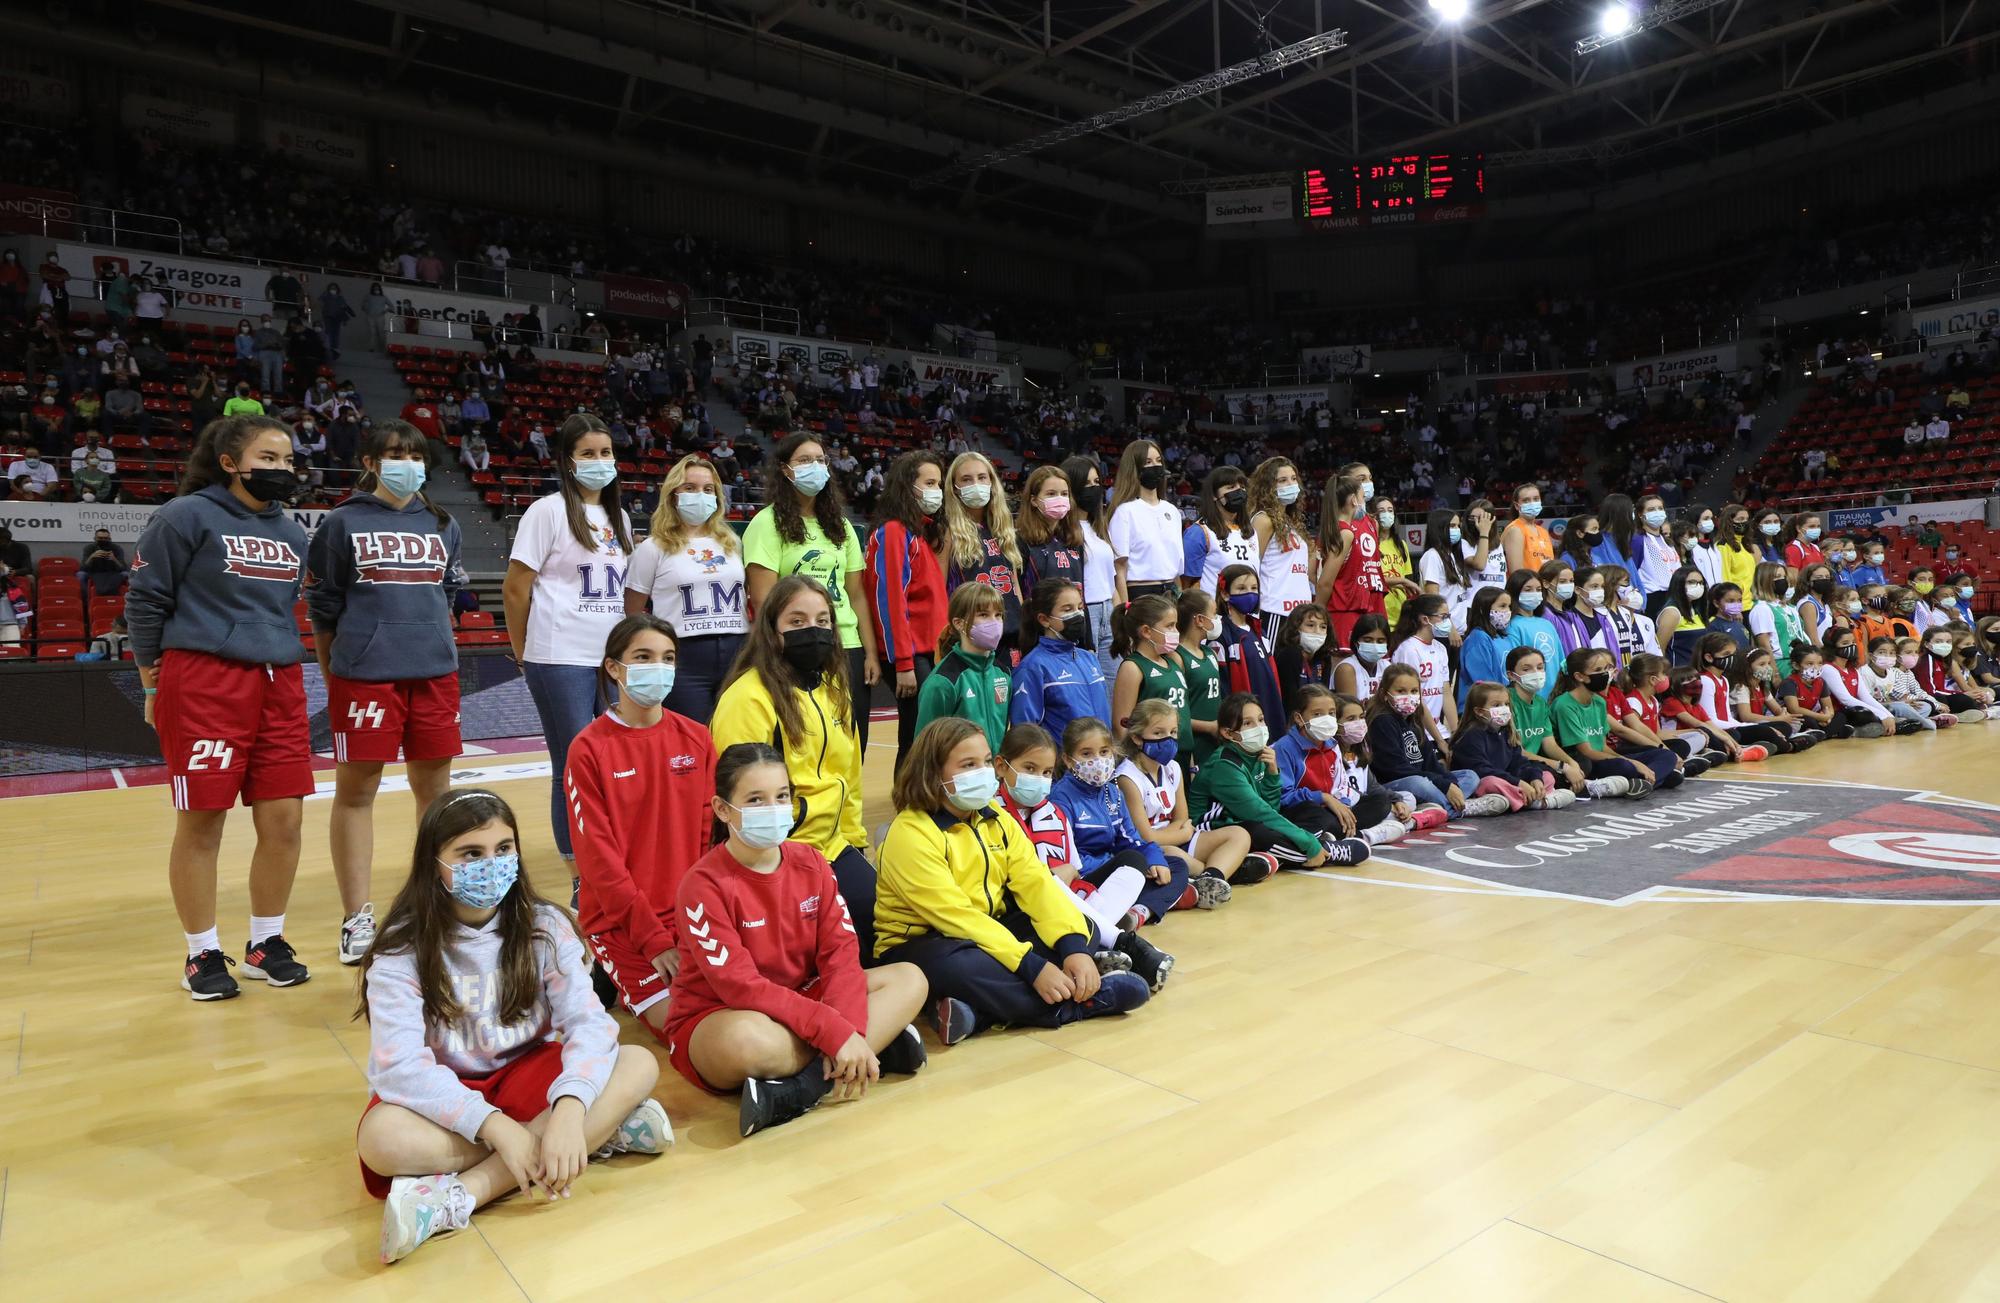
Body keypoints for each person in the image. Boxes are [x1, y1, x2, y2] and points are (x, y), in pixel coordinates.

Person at [354, 789, 667, 1264]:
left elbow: (588, 1023)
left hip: (528, 1076)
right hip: (447, 1093)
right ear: (434, 863)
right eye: (471, 853)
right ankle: (597, 1136)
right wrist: (498, 1128)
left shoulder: (544, 925)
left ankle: (459, 1198)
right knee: (381, 1140)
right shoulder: (401, 948)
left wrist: (567, 1108)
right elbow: (400, 1070)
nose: (492, 863)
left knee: (638, 1061)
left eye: (503, 849)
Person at [127, 415, 314, 1001]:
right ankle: (201, 952)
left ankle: (266, 943)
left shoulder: (292, 532)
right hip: (203, 678)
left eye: (287, 461)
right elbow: (146, 602)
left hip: (278, 678)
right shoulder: (185, 516)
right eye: (268, 458)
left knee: (284, 820)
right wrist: (152, 688)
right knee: (203, 822)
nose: (282, 470)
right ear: (231, 462)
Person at [667, 742, 929, 1137]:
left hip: (805, 1000)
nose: (773, 809)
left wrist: (847, 1031)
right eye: (755, 800)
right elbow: (742, 988)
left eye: (782, 796)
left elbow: (841, 955)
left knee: (910, 978)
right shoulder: (702, 885)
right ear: (723, 809)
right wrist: (834, 1031)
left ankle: (803, 1088)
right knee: (748, 1041)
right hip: (727, 1015)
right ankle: (871, 1049)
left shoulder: (812, 862)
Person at [874, 716, 1152, 1044]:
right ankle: (1077, 1006)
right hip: (925, 943)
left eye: (985, 762)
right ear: (933, 772)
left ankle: (976, 1013)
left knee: (1082, 927)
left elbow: (1037, 885)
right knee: (963, 966)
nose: (983, 772)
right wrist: (1031, 967)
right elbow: (956, 918)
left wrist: (1073, 949)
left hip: (988, 929)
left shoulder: (997, 818)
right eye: (968, 764)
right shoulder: (911, 833)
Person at [307, 419, 465, 965]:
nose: (408, 463)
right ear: (371, 462)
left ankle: (440, 904)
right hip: (365, 676)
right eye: (395, 453)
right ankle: (356, 917)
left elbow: (445, 597)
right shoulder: (341, 523)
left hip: (434, 674)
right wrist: (335, 673)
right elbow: (324, 607)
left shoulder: (444, 523)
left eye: (416, 454)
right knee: (356, 793)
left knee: (436, 795)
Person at [561, 614, 718, 1039]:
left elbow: (708, 843)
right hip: (622, 922)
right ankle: (604, 965)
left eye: (668, 658)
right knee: (684, 1025)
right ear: (614, 667)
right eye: (643, 657)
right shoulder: (589, 749)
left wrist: (702, 919)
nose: (659, 667)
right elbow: (598, 863)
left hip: (690, 915)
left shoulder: (697, 739)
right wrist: (654, 940)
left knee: (736, 997)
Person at [711, 572, 874, 945]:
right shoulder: (748, 697)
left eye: (822, 621)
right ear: (772, 630)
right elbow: (736, 793)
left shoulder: (835, 692)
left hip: (833, 847)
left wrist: (855, 841)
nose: (812, 630)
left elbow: (849, 775)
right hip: (774, 851)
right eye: (796, 621)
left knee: (881, 929)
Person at [503, 414, 632, 873]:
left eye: (605, 453)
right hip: (560, 656)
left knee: (617, 760)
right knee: (574, 764)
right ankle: (578, 868)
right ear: (567, 461)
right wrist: (522, 651)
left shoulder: (620, 516)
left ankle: (612, 853)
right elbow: (516, 588)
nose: (599, 462)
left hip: (611, 659)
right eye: (588, 454)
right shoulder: (547, 511)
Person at [997, 723, 1175, 983]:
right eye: (1029, 769)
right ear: (1002, 767)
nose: (1038, 779)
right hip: (1021, 912)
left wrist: (1059, 877)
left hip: (1068, 901)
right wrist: (1048, 878)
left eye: (1046, 772)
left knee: (1136, 862)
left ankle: (1096, 944)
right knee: (1043, 883)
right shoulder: (990, 812)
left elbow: (1073, 868)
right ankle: (1118, 941)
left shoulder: (1052, 812)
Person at [743, 432, 882, 747]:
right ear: (784, 469)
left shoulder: (842, 526)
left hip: (846, 646)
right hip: (796, 645)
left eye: (820, 460)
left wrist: (870, 653)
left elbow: (856, 596)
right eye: (804, 460)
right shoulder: (766, 524)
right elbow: (764, 600)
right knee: (805, 743)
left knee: (852, 741)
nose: (815, 467)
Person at [622, 455, 746, 723]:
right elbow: (633, 612)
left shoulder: (732, 542)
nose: (699, 495)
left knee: (738, 741)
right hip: (684, 658)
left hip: (738, 651)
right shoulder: (652, 548)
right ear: (673, 494)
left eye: (708, 489)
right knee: (692, 739)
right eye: (689, 488)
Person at [1193, 691, 1369, 866]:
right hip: (1216, 830)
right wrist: (1309, 844)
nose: (1259, 728)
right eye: (1248, 723)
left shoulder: (1260, 753)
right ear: (1228, 733)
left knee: (1312, 811)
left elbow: (1273, 807)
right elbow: (1259, 812)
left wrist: (1272, 774)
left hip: (1247, 820)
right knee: (1258, 831)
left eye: (1261, 720)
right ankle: (1327, 852)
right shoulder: (1224, 765)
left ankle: (1274, 856)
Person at [1053, 716, 1198, 926]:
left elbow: (1132, 839)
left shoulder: (1112, 792)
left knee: (1174, 864)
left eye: (1104, 752)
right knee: (1133, 862)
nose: (1098, 760)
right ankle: (1166, 899)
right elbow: (1068, 859)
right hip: (1084, 876)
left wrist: (1154, 858)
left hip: (1117, 868)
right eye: (1086, 754)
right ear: (1068, 760)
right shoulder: (1061, 798)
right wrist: (1116, 863)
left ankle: (1138, 913)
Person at [1114, 699, 1264, 887]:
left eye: (1173, 732)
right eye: (1159, 733)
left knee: (1239, 834)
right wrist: (1183, 835)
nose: (1168, 739)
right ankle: (1218, 873)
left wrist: (1180, 832)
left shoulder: (1173, 767)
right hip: (1152, 848)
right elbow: (1146, 837)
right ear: (1136, 738)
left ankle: (1210, 876)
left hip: (1176, 835)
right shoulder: (1127, 778)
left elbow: (1183, 818)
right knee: (1171, 853)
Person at [865, 450, 948, 761]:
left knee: (926, 734)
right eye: (929, 482)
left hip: (927, 651)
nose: (936, 491)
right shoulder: (893, 533)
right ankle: (908, 802)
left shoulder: (917, 533)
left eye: (939, 484)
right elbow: (889, 601)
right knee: (917, 738)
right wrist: (903, 663)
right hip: (910, 654)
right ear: (907, 486)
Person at [1272, 683, 1427, 844]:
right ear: (1299, 718)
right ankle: (1364, 836)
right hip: (1303, 810)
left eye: (1331, 713)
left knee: (1380, 802)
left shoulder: (1331, 745)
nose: (1326, 719)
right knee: (1316, 815)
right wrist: (1324, 798)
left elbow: (1341, 787)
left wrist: (1343, 807)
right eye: (1317, 714)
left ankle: (1337, 834)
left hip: (1330, 809)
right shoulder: (1284, 748)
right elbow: (1283, 797)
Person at [1553, 648, 1677, 793]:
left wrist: (1631, 761)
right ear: (1580, 676)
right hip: (1586, 762)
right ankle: (1650, 780)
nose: (1605, 674)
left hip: (1603, 756)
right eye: (1598, 669)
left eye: (1606, 668)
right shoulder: (1564, 705)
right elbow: (1587, 751)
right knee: (1626, 767)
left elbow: (1602, 745)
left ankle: (1640, 783)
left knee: (1666, 755)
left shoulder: (1599, 702)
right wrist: (1631, 762)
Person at [1010, 579, 1111, 751]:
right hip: (1062, 772)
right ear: (1044, 619)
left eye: (1080, 607)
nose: (1078, 615)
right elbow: (1025, 733)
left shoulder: (1089, 659)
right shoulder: (1033, 667)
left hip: (1100, 764)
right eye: (1067, 609)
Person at [913, 580, 1011, 750]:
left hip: (993, 775)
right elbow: (924, 749)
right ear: (959, 623)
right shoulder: (942, 682)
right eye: (983, 615)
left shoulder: (1003, 673)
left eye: (998, 615)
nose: (994, 623)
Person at [1452, 682, 1572, 811]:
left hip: (1508, 782)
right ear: (1479, 711)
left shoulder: (1506, 732)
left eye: (1506, 704)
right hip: (1482, 784)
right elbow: (1482, 770)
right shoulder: (1471, 735)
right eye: (1497, 705)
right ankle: (1536, 800)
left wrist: (1534, 778)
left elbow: (1519, 762)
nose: (1504, 708)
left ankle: (1525, 798)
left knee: (1546, 776)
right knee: (1491, 782)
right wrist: (1518, 783)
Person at [1504, 647, 1600, 797]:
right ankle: (1581, 787)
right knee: (1546, 773)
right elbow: (1518, 752)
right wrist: (1562, 767)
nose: (1535, 673)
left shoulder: (1541, 703)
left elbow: (1549, 744)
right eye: (1526, 669)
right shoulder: (1506, 702)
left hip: (1536, 760)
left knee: (1581, 762)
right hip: (1515, 761)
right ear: (1511, 675)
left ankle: (1571, 787)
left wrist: (1570, 763)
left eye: (1540, 667)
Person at [1061, 454, 1119, 677]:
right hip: (1085, 612)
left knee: (1112, 684)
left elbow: (1111, 580)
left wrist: (1118, 615)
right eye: (1086, 484)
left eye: (1097, 483)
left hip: (1108, 610)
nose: (1093, 489)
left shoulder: (1099, 528)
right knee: (1088, 680)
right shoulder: (1064, 531)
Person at [1107, 439, 1182, 604]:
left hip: (1171, 592)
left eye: (1158, 461)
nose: (1155, 466)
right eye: (1148, 462)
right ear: (1135, 468)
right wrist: (1124, 608)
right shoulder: (1124, 512)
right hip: (1141, 594)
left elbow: (1175, 569)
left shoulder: (1172, 511)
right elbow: (1119, 568)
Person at [1314, 470, 1383, 651]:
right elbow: (1325, 582)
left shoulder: (1335, 530)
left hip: (1350, 610)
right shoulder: (1345, 533)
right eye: (1361, 496)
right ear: (1353, 500)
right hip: (1343, 613)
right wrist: (1318, 614)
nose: (1364, 501)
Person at [1247, 456, 1313, 641]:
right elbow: (1251, 565)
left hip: (1300, 612)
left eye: (1293, 479)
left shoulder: (1292, 522)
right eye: (1282, 480)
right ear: (1268, 487)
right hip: (1275, 609)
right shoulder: (1263, 519)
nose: (1290, 484)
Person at [1109, 593, 1185, 739]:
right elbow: (1121, 726)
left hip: (1182, 754)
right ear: (1146, 631)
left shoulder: (1173, 661)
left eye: (1175, 625)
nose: (1176, 632)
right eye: (1170, 626)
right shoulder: (1133, 667)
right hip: (1151, 755)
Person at [1388, 593, 1456, 741]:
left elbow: (1446, 691)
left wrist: (1457, 732)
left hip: (1438, 729)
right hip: (1417, 730)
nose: (1448, 622)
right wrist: (1439, 740)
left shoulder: (1440, 648)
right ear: (1425, 619)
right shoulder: (1409, 649)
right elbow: (1416, 698)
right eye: (1444, 617)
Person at [1172, 588, 1227, 769]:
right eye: (1214, 614)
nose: (1218, 619)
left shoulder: (1209, 652)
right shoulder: (1178, 656)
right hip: (1193, 744)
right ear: (1200, 620)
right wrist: (1209, 727)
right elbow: (1175, 712)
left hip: (1215, 742)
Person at [1015, 463, 1085, 597]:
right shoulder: (1021, 541)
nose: (1059, 498)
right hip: (1040, 616)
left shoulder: (1074, 538)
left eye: (1064, 494)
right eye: (1051, 494)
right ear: (1034, 500)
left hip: (1074, 615)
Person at [1182, 466, 1255, 594]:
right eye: (1231, 487)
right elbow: (1187, 583)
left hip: (1247, 609)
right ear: (1214, 495)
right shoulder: (1199, 532)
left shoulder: (1250, 532)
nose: (1239, 491)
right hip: (1214, 611)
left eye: (1242, 487)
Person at [1504, 569, 1563, 695]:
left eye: (1538, 590)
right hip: (1530, 695)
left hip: (1555, 694)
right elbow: (1513, 664)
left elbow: (1560, 660)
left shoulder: (1547, 624)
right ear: (1515, 592)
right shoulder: (1512, 625)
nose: (1535, 594)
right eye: (1528, 589)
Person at [1373, 496, 1421, 629]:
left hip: (1400, 615)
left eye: (1390, 510)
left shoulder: (1402, 545)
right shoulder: (1370, 545)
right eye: (1382, 511)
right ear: (1374, 515)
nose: (1387, 514)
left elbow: (1408, 579)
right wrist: (1400, 580)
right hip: (1380, 613)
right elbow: (1372, 579)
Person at [1272, 602, 1334, 702]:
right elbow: (1289, 701)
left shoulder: (1324, 658)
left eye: (1323, 627)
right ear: (1296, 628)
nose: (1317, 631)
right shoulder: (1289, 655)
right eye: (1310, 625)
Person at [1654, 564, 1713, 666]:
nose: (1698, 586)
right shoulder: (1672, 613)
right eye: (1691, 582)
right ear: (1679, 584)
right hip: (1678, 674)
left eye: (1700, 583)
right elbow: (1659, 650)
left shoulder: (1697, 610)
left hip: (1696, 672)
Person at [1332, 612, 1392, 702]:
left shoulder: (1387, 667)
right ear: (1356, 641)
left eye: (1380, 641)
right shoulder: (1347, 669)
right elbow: (1350, 711)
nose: (1374, 645)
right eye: (1367, 640)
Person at [1499, 481, 1555, 575]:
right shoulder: (1515, 530)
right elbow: (1516, 573)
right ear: (1517, 506)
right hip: (1526, 587)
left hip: (1543, 587)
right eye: (1526, 500)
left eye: (1536, 499)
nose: (1532, 503)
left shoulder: (1544, 531)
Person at [79, 528, 128, 597]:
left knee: (126, 574)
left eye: (106, 538)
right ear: (95, 538)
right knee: (80, 575)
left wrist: (114, 559)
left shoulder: (116, 548)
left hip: (112, 572)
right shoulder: (89, 548)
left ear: (110, 539)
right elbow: (83, 568)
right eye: (100, 538)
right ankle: (86, 600)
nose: (103, 540)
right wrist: (91, 557)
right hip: (93, 572)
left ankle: (127, 600)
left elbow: (123, 568)